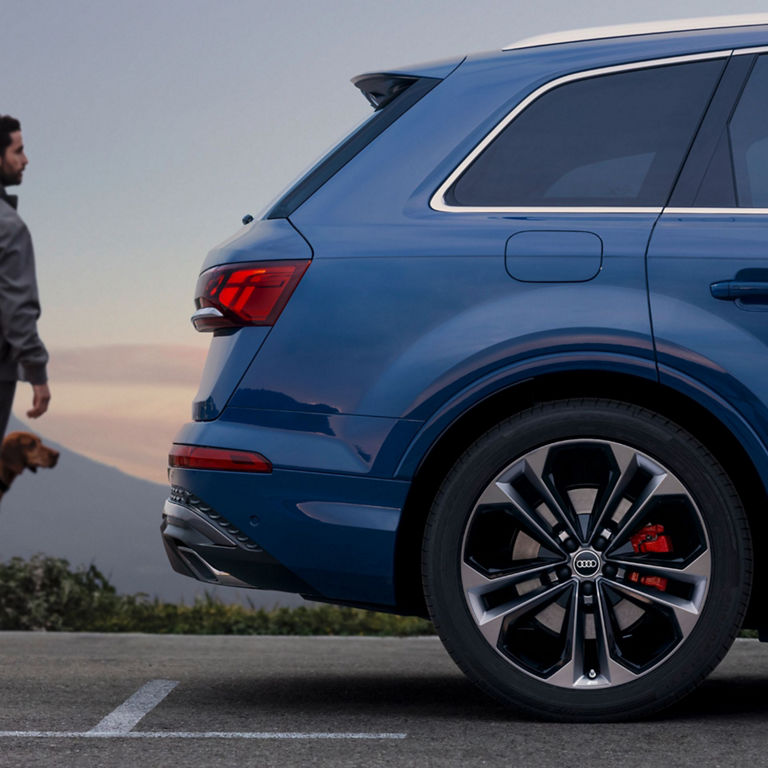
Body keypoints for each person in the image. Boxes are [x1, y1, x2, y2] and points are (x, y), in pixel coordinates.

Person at [0, 115, 50, 439]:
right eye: (18, 151)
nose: (25, 160)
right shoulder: (8, 227)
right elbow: (16, 308)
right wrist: (37, 372)